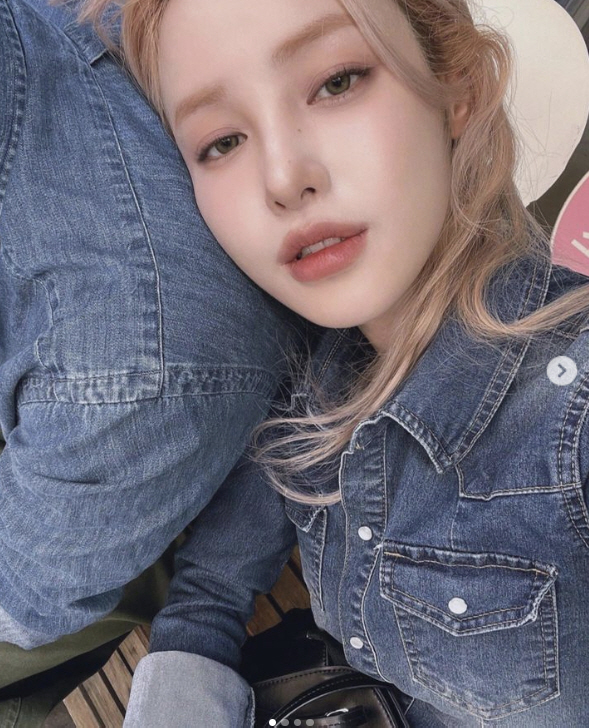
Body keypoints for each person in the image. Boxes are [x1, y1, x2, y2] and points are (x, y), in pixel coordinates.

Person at [69, 0, 589, 725]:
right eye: (221, 142)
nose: (283, 177)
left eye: (337, 81)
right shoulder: (310, 374)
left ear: (457, 86)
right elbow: (213, 588)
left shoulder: (571, 417)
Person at [0, 0, 314, 725]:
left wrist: (202, 623)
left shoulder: (126, 377)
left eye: (340, 83)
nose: (285, 179)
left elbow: (27, 596)